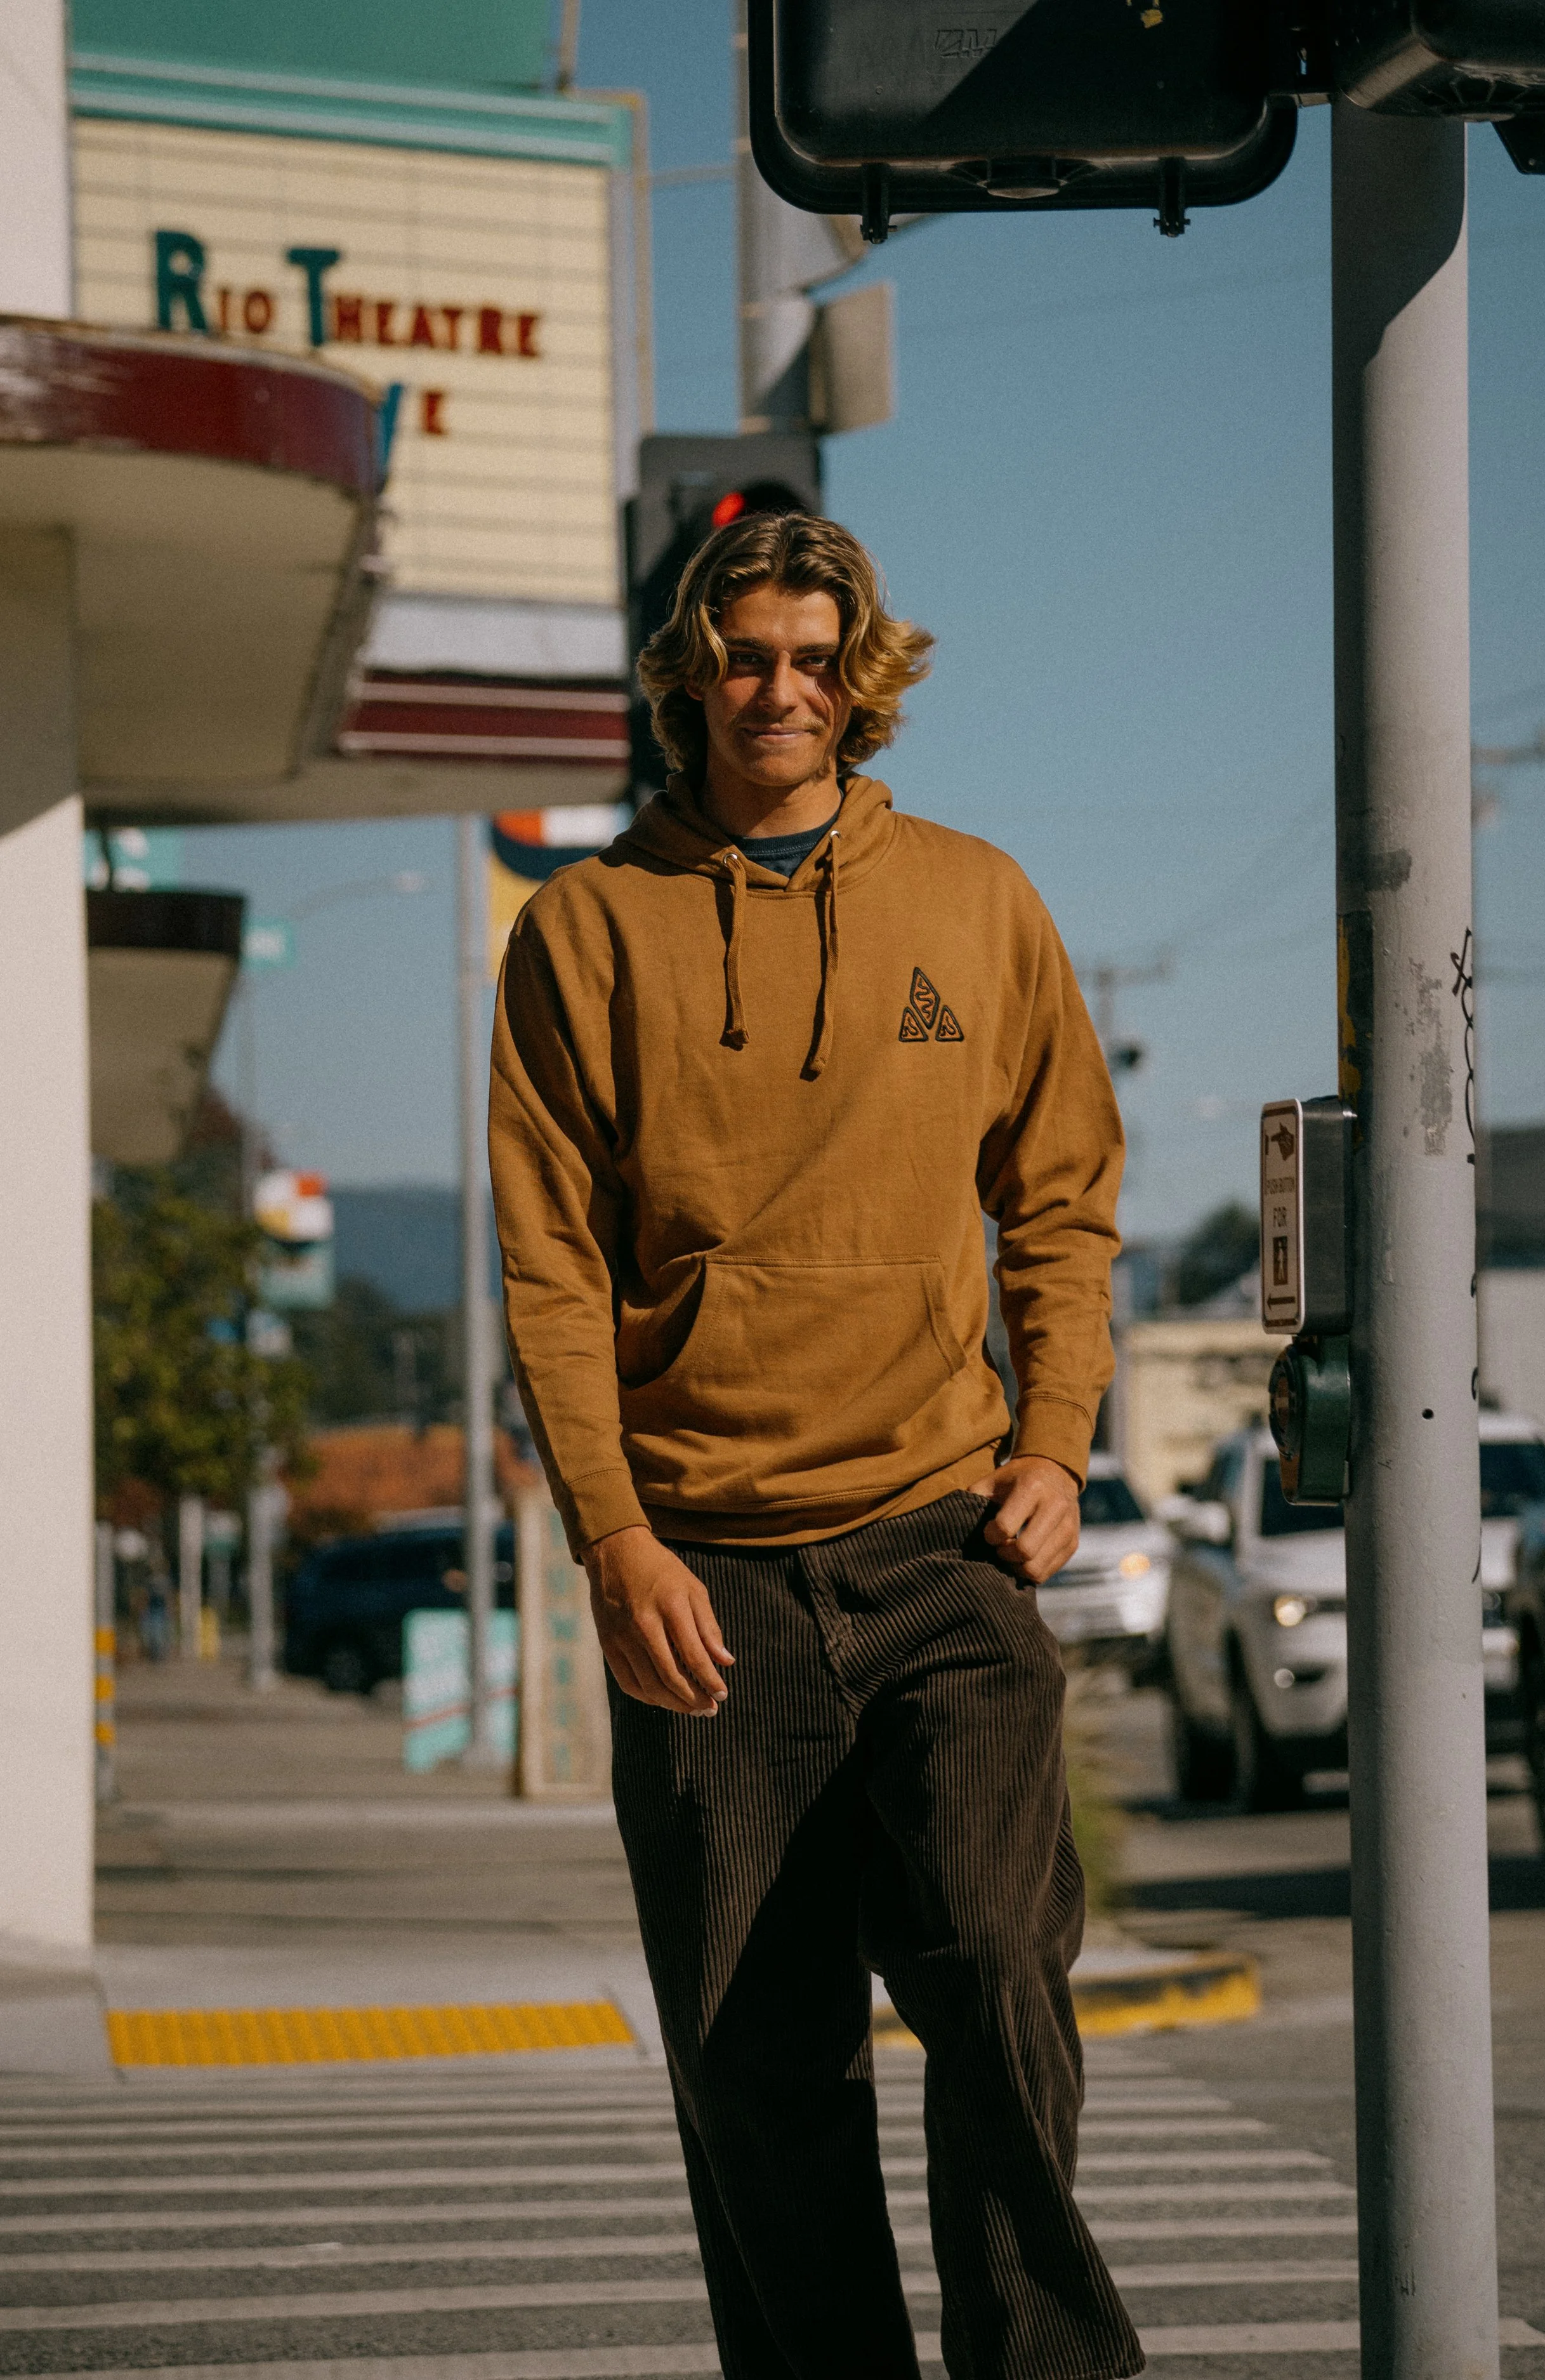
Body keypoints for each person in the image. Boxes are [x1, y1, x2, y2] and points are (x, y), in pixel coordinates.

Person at [489, 509, 1142, 2380]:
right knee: (754, 2052)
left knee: (998, 1975)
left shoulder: (974, 897)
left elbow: (1064, 1197)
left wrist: (1059, 1436)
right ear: (685, 674)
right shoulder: (586, 930)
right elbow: (549, 1261)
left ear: (861, 678)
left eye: (812, 656)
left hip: (943, 1539)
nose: (779, 688)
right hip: (703, 1568)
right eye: (745, 654)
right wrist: (613, 1539)